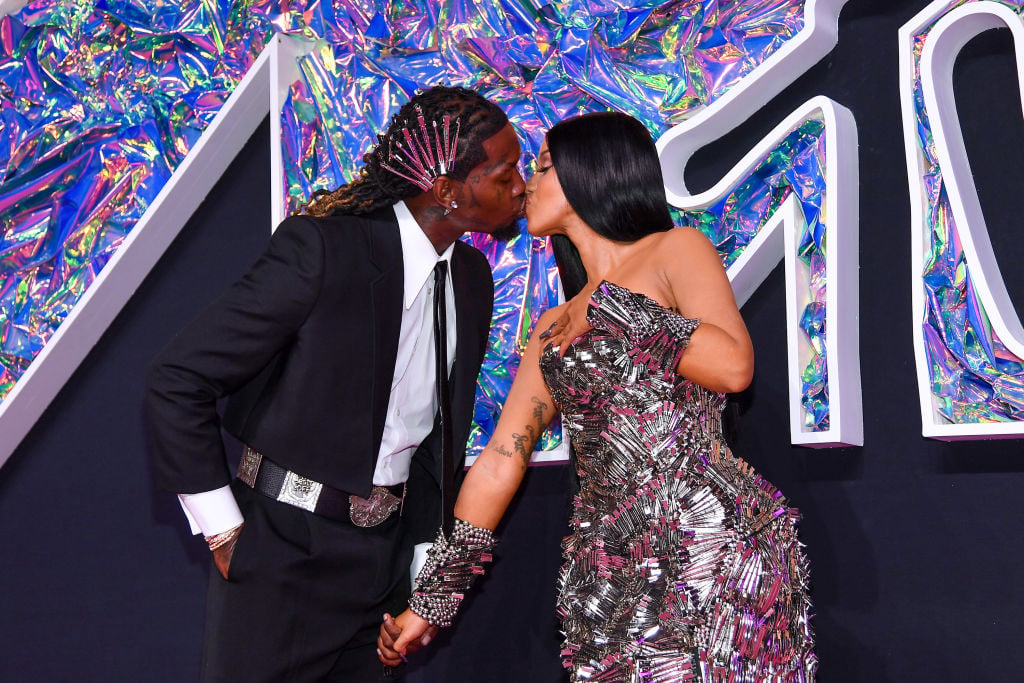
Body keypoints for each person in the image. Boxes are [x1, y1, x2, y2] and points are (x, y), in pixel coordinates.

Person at [378, 111, 816, 681]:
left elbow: (732, 367)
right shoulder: (553, 326)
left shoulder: (675, 250)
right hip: (605, 574)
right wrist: (432, 600)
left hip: (712, 550)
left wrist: (607, 304)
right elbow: (499, 463)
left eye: (541, 166)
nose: (526, 185)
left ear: (592, 171)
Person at [144, 85, 526, 682]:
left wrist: (423, 572)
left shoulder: (472, 277)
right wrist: (224, 531)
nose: (522, 186)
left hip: (385, 564)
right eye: (506, 173)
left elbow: (435, 441)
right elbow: (178, 378)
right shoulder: (326, 248)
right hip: (284, 552)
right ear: (448, 191)